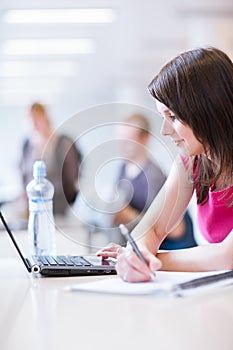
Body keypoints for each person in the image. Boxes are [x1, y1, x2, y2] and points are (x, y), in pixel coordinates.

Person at [97, 47, 233, 281]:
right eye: (163, 117)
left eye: (173, 117)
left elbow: (227, 256)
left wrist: (150, 260)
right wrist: (138, 252)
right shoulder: (193, 162)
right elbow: (154, 228)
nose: (164, 130)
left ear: (206, 110)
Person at [113, 113, 196, 250]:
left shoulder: (153, 177)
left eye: (128, 141)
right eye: (120, 141)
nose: (123, 147)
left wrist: (130, 216)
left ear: (145, 139)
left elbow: (176, 230)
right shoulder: (123, 168)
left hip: (174, 249)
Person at [19, 102, 81, 215]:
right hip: (33, 206)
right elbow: (23, 175)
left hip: (59, 206)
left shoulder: (62, 143)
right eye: (30, 120)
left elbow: (71, 180)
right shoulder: (27, 145)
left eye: (37, 119)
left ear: (45, 119)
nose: (33, 124)